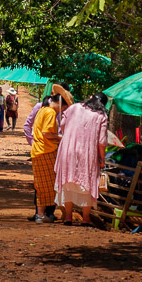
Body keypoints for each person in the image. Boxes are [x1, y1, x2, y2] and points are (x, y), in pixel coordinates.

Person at [54, 93, 109, 226]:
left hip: (68, 150)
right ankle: (86, 219)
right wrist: (102, 159)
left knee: (67, 182)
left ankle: (68, 217)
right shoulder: (101, 116)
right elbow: (101, 142)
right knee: (87, 184)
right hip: (87, 153)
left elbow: (62, 125)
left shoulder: (74, 107)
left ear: (91, 98)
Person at [31, 84, 73, 223]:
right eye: (65, 108)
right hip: (45, 151)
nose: (63, 111)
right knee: (49, 185)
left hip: (39, 151)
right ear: (61, 104)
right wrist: (61, 137)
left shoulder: (43, 110)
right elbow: (47, 133)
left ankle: (41, 214)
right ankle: (42, 214)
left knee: (42, 185)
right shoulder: (49, 113)